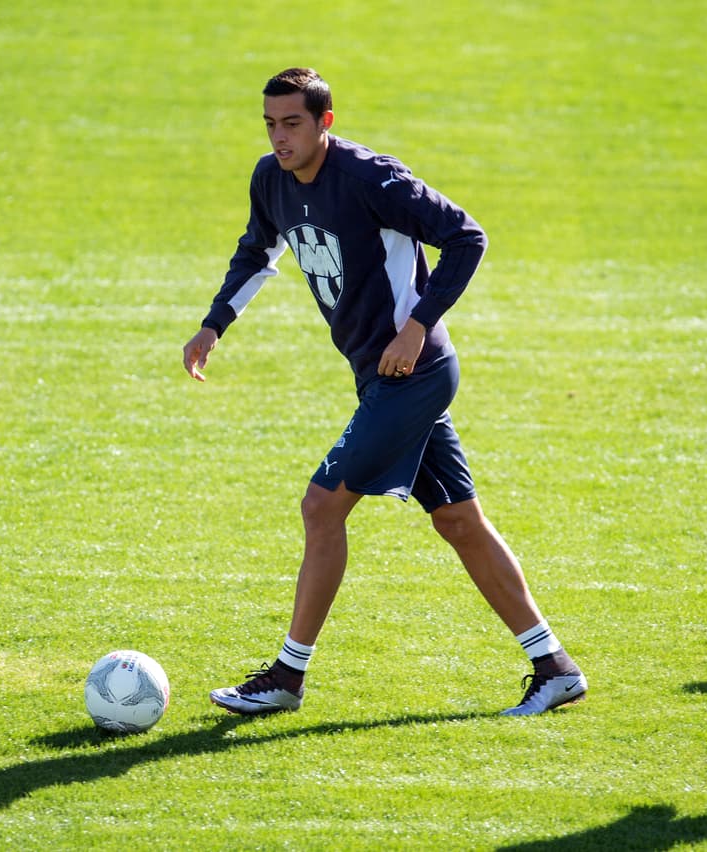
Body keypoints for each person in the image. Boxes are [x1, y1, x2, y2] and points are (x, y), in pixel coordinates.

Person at [182, 67, 586, 717]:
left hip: (416, 374)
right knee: (458, 521)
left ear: (324, 123)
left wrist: (417, 327)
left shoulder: (371, 179)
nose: (280, 138)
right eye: (271, 124)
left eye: (293, 124)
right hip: (378, 376)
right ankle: (554, 667)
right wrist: (213, 325)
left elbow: (466, 238)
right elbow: (257, 251)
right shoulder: (271, 179)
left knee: (321, 507)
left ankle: (287, 676)